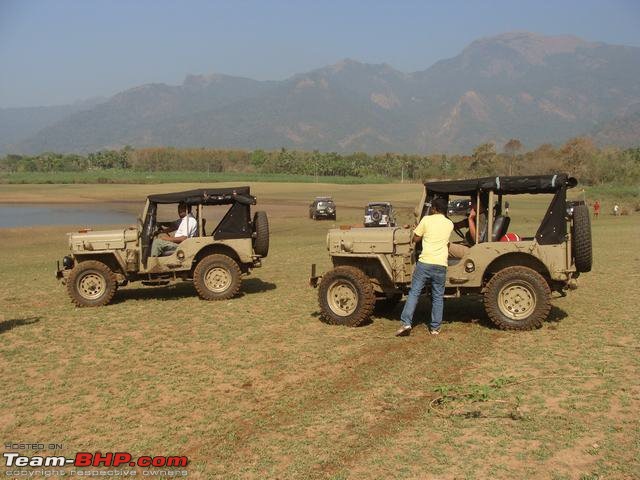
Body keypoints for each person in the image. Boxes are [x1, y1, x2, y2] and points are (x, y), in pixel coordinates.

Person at [396, 197, 453, 337]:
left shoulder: (426, 220)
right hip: (440, 264)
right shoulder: (449, 224)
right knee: (438, 296)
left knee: (414, 292)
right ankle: (435, 328)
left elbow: (416, 239)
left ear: (434, 208)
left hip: (425, 262)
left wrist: (416, 230)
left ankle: (406, 323)